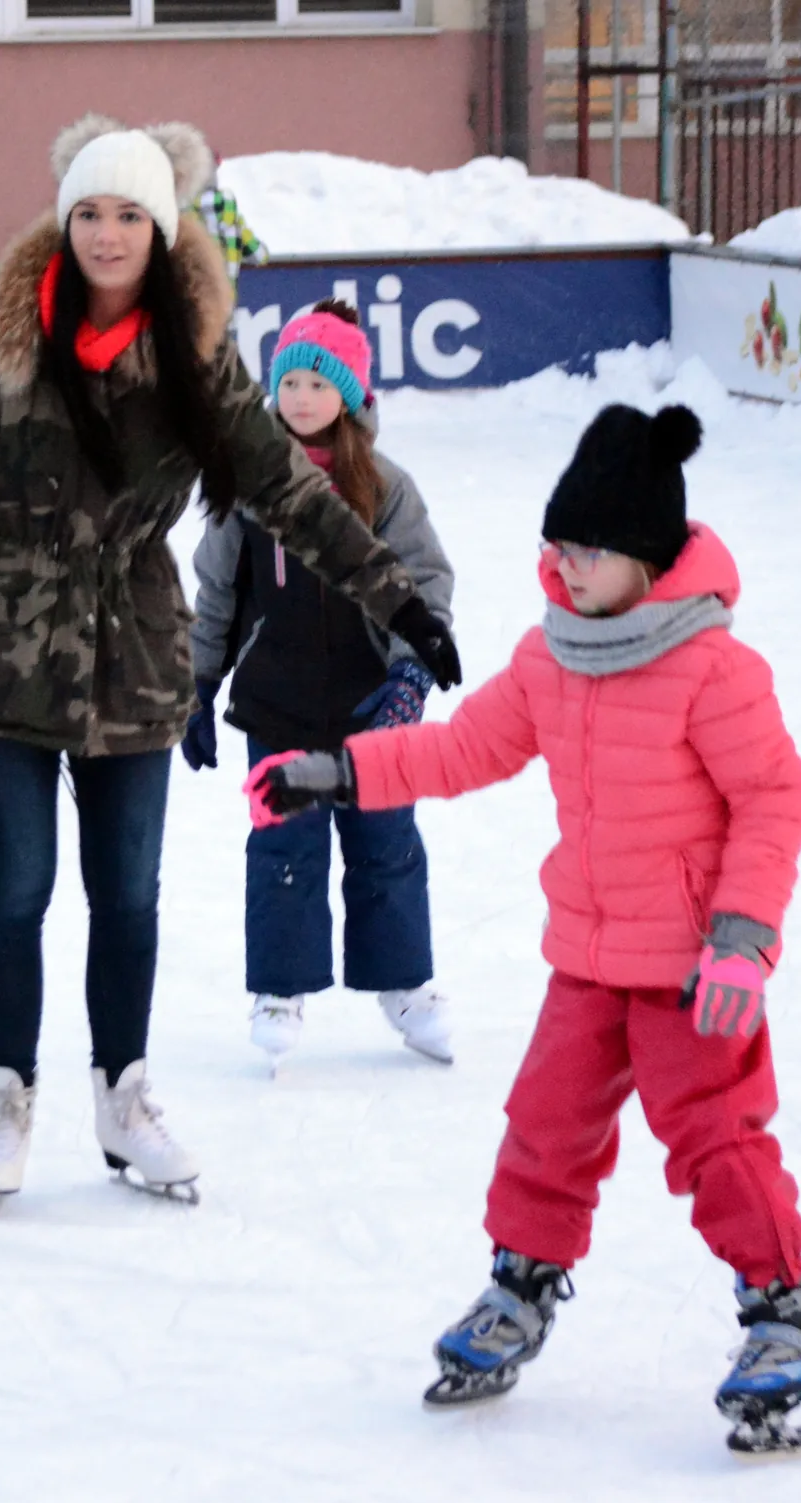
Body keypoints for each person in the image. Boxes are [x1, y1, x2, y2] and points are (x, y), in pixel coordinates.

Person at [0, 114, 460, 1205]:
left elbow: (290, 494)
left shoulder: (198, 364)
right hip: (3, 652)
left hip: (133, 653)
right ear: (63, 222)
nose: (108, 233)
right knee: (16, 890)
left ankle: (123, 1103)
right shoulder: (10, 341)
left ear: (162, 231)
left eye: (130, 214)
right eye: (89, 213)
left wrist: (397, 598)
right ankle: (6, 1098)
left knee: (127, 896)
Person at [249, 404, 801, 1456]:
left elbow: (772, 799)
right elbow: (463, 750)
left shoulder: (710, 669)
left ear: (646, 559)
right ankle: (518, 1288)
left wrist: (744, 936)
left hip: (690, 970)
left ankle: (782, 1314)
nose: (566, 568)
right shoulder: (551, 654)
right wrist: (337, 770)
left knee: (715, 1141)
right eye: (556, 547)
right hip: (586, 957)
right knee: (542, 1126)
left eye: (589, 552)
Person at [187, 301, 456, 1071]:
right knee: (282, 846)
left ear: (350, 394)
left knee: (387, 846)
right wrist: (199, 685)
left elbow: (426, 582)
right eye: (289, 382)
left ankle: (404, 985)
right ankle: (281, 989)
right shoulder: (250, 486)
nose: (300, 397)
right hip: (279, 703)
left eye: (317, 382)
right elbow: (218, 594)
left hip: (374, 705)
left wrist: (412, 672)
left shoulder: (386, 487)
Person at [195, 172, 268, 278]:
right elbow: (260, 256)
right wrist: (242, 228)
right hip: (228, 293)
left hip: (197, 292)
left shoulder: (189, 223)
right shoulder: (234, 225)